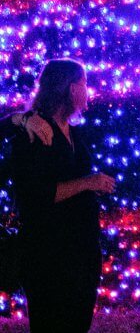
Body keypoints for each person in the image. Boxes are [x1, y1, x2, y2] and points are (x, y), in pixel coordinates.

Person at [11, 59, 116, 333]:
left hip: (82, 250)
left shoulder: (74, 133)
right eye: (83, 84)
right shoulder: (36, 132)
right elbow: (35, 196)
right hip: (51, 253)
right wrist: (87, 182)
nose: (87, 91)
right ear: (70, 89)